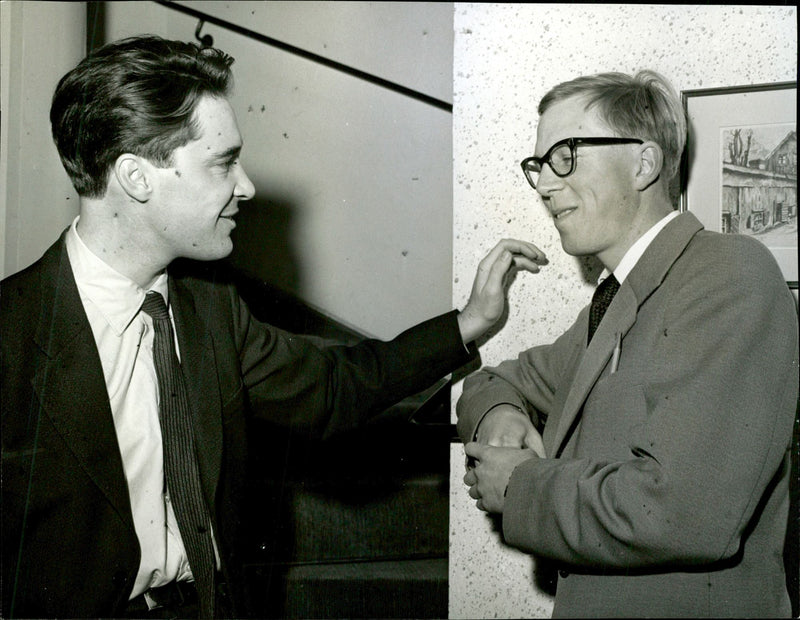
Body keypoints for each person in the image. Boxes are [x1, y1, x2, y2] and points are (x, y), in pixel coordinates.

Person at [0, 35, 548, 619]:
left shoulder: (210, 309)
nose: (248, 186)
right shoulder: (11, 337)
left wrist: (467, 324)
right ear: (137, 178)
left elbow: (336, 387)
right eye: (224, 161)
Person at [458, 70, 798, 618]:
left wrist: (519, 486)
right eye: (539, 165)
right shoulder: (619, 301)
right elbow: (494, 380)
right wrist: (501, 415)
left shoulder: (728, 275)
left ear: (643, 163)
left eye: (566, 154)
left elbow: (683, 513)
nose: (545, 184)